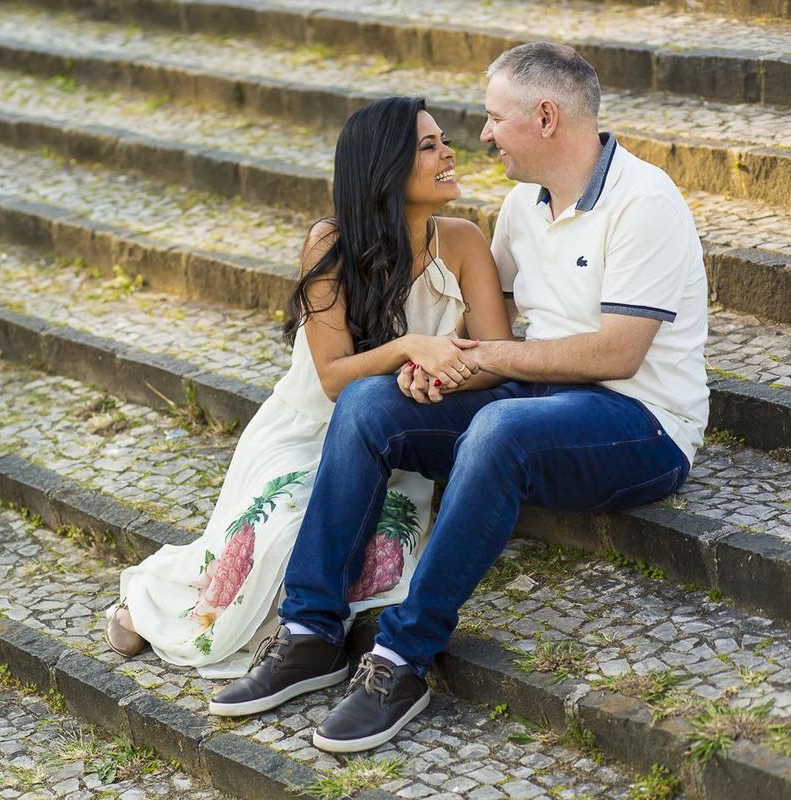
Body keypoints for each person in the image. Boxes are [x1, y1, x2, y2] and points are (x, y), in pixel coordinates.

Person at [209, 41, 708, 754]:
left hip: (639, 422)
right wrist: (432, 374)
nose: (483, 136)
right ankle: (310, 631)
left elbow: (614, 354)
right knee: (370, 404)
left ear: (545, 117)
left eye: (494, 118)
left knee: (501, 428)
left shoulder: (644, 201)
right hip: (535, 401)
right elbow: (476, 336)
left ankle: (401, 657)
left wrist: (484, 363)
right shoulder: (523, 206)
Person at [103, 96, 514, 676]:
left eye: (444, 141)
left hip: (394, 437)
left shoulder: (465, 241)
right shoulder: (331, 243)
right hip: (305, 430)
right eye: (429, 146)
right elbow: (332, 379)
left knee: (376, 555)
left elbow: (497, 357)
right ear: (385, 168)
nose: (450, 153)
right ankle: (154, 601)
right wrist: (408, 347)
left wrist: (435, 375)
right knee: (276, 542)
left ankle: (290, 633)